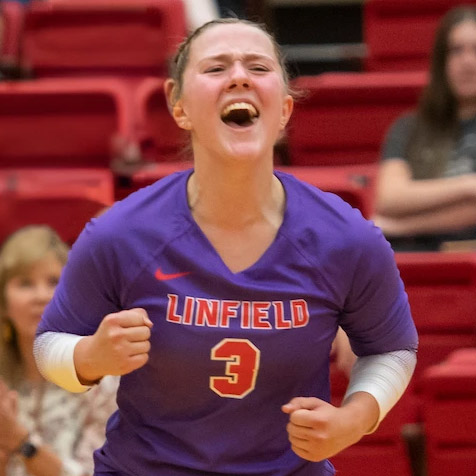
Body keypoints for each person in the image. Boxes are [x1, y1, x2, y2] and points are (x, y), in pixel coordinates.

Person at [34, 18, 418, 476]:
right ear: (179, 107)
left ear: (284, 111)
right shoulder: (120, 233)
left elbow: (391, 349)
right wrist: (90, 357)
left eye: (258, 67)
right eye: (216, 68)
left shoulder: (347, 239)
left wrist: (356, 418)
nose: (239, 76)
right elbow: (48, 345)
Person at [0, 225, 118, 476]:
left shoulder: (101, 380)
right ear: (3, 304)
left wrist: (21, 443)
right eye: (25, 284)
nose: (41, 296)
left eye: (54, 282)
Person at [374, 6, 476, 252]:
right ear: (441, 62)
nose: (468, 62)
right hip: (421, 261)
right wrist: (468, 186)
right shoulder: (409, 127)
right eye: (456, 51)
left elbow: (386, 219)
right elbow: (389, 198)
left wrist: (401, 226)